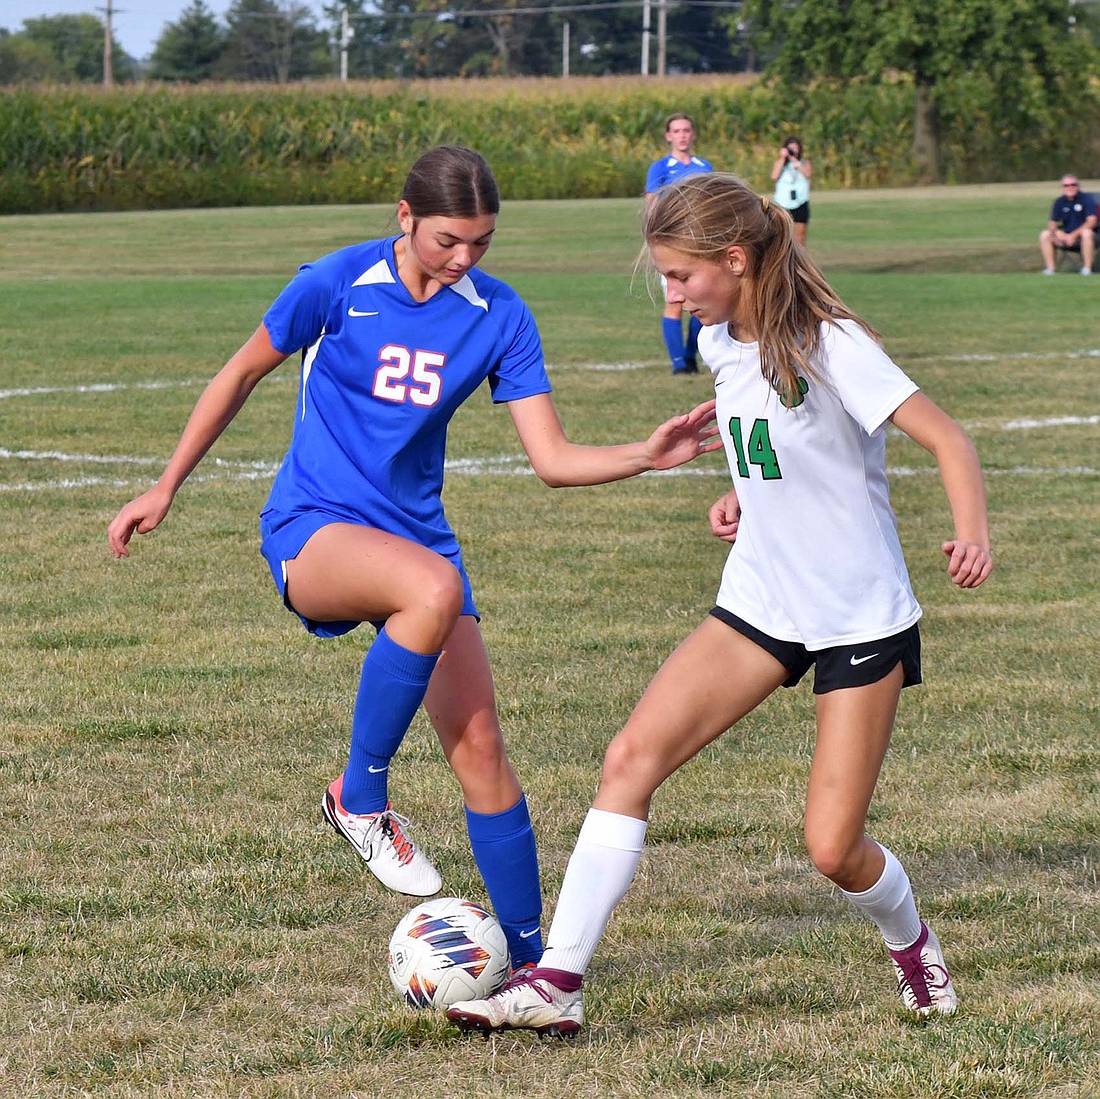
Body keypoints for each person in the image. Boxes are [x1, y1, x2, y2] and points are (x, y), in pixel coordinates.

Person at [106, 145, 720, 977]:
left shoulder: (499, 316)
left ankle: (539, 968)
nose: (464, 257)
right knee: (431, 589)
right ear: (404, 218)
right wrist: (164, 485)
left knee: (481, 749)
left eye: (482, 243)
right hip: (314, 527)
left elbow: (551, 457)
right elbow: (240, 373)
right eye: (446, 240)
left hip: (416, 546)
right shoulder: (335, 282)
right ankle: (359, 796)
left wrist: (645, 456)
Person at [447, 173, 994, 1037]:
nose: (670, 294)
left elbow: (948, 438)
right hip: (760, 603)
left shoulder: (830, 342)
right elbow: (768, 452)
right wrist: (745, 496)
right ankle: (558, 982)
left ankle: (911, 938)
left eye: (680, 276)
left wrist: (971, 532)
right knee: (630, 757)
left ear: (735, 260)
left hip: (858, 618)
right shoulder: (720, 342)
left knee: (831, 848)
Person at [645, 112, 713, 375]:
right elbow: (651, 207)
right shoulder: (661, 168)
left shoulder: (704, 166)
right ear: (668, 136)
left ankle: (690, 356)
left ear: (692, 134)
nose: (682, 135)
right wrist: (653, 243)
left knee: (701, 303)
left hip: (700, 246)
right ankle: (679, 364)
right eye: (677, 131)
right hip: (673, 245)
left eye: (686, 130)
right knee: (675, 302)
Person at [1040, 175, 1097, 275]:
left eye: (1073, 184)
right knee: (1045, 234)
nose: (1070, 187)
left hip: (1085, 237)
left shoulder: (1087, 199)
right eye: (1066, 185)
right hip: (1065, 238)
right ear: (1063, 188)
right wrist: (1058, 233)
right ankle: (1051, 269)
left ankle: (1087, 269)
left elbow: (1092, 221)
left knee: (1086, 233)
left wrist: (1074, 235)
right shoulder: (1059, 202)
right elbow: (1052, 223)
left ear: (1078, 186)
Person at [770, 135, 812, 247]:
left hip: (800, 202)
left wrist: (795, 161)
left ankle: (800, 262)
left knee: (800, 237)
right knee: (781, 236)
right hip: (783, 203)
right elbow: (774, 176)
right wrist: (783, 158)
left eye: (795, 148)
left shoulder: (804, 163)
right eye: (790, 148)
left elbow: (808, 174)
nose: (793, 151)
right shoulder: (781, 164)